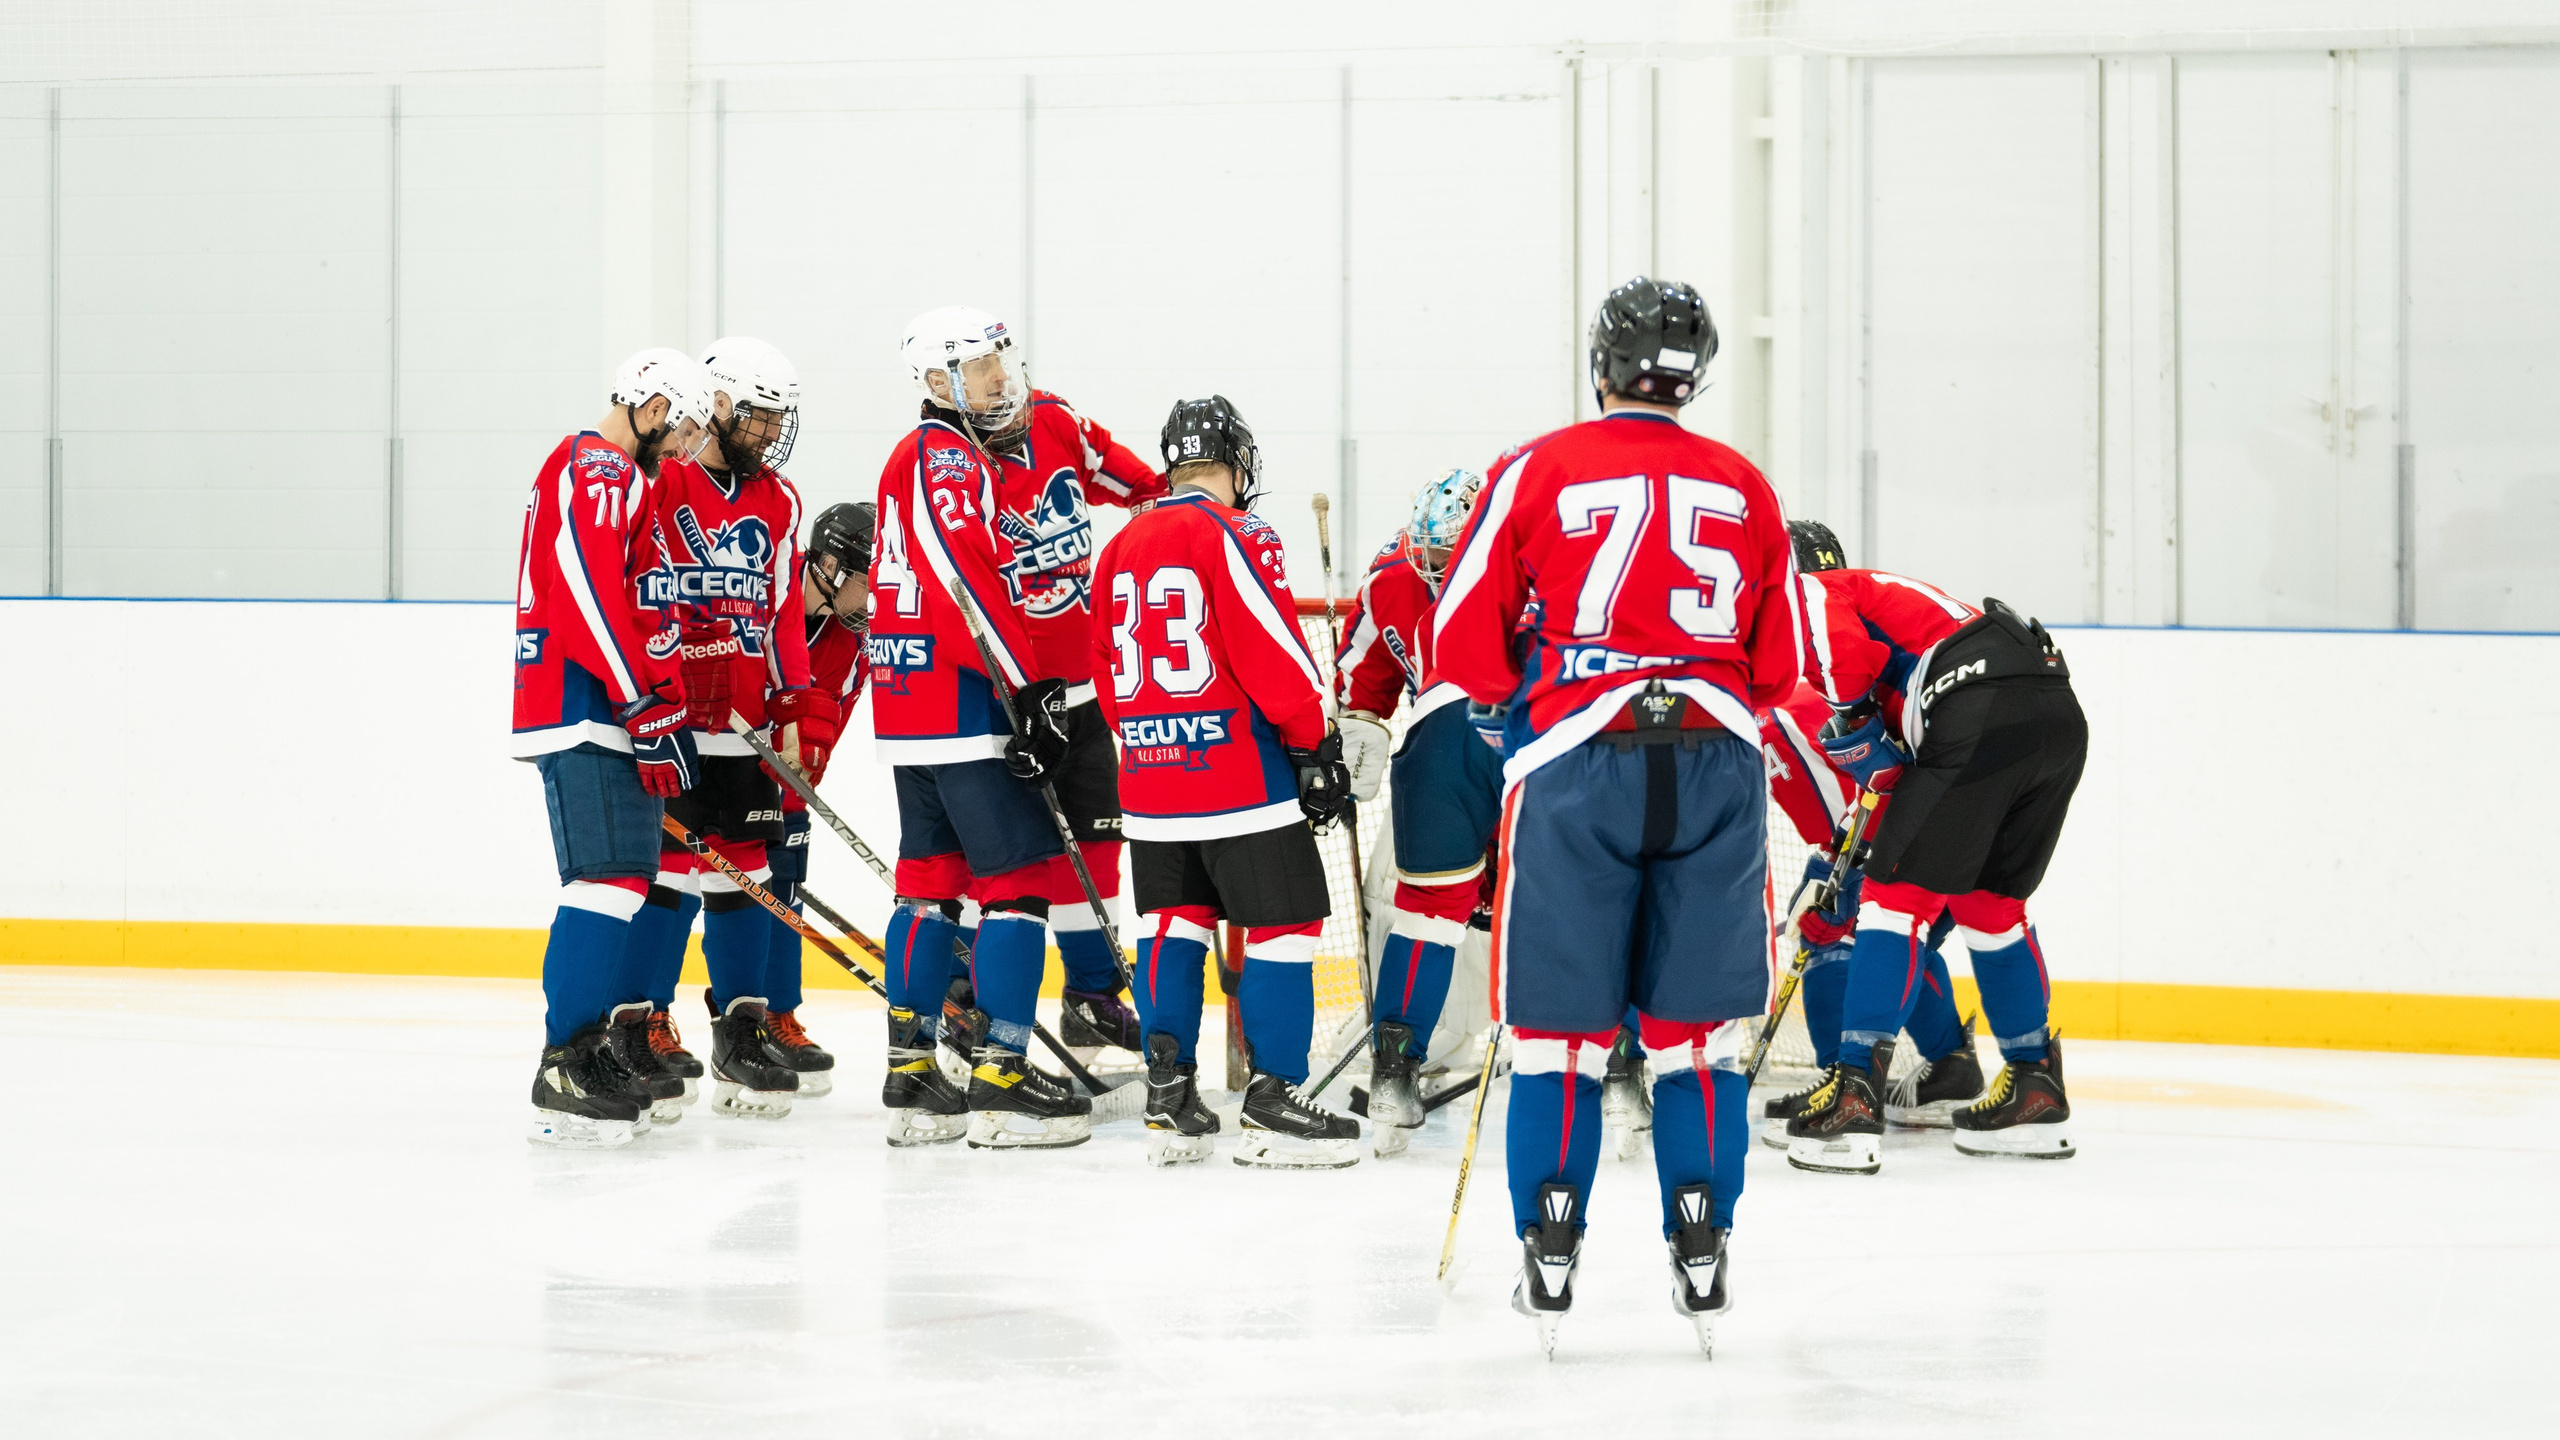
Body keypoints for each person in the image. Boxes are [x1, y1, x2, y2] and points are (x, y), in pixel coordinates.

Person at [1434, 277, 1800, 1355]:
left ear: (1600, 361)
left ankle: (1549, 1245)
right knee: (1694, 1041)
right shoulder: (1744, 483)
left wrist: (1538, 683)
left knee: (1555, 1041)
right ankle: (1701, 1242)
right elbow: (1781, 668)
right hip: (1719, 762)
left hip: (1573, 760)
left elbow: (1463, 640)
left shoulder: (1537, 466)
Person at [1087, 395, 1359, 1169]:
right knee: (1286, 925)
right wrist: (1314, 742)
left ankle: (1169, 1095)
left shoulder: (1122, 543)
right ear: (1238, 465)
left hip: (1149, 779)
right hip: (1240, 776)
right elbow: (1266, 643)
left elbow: (1105, 672)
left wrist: (1147, 744)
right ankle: (1273, 1101)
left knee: (1172, 924)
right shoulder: (1239, 531)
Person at [1779, 518, 2084, 1174]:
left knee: (1889, 909)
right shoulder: (1897, 606)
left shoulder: (1809, 589)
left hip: (1977, 701)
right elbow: (1922, 771)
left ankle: (1855, 1095)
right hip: (2053, 709)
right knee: (1990, 909)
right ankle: (2034, 1086)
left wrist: (1854, 720)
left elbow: (1838, 645)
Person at [870, 306, 1089, 1149]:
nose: (1001, 376)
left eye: (1002, 359)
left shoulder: (920, 456)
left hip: (911, 702)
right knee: (1018, 885)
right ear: (936, 382)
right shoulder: (949, 456)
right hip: (964, 704)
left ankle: (913, 1068)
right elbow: (968, 578)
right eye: (980, 365)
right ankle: (1000, 1075)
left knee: (928, 881)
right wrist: (1029, 687)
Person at [621, 337, 836, 1122]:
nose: (772, 431)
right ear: (716, 406)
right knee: (669, 873)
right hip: (677, 719)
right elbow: (636, 588)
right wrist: (662, 678)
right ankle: (644, 1023)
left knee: (744, 872)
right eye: (760, 415)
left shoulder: (780, 501)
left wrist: (794, 703)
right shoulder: (662, 478)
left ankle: (741, 1026)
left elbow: (781, 612)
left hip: (743, 725)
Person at [512, 347, 718, 1147]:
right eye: (687, 425)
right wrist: (640, 698)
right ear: (655, 403)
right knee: (602, 882)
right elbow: (586, 593)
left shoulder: (629, 479)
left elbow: (634, 600)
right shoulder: (594, 468)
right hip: (587, 705)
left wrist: (662, 696)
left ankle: (591, 1044)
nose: (688, 444)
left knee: (628, 882)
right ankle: (565, 1058)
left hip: (618, 706)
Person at [971, 353, 1167, 1059]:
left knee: (1099, 845)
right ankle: (967, 1004)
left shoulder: (1059, 423)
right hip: (1009, 703)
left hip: (1082, 695)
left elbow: (1151, 490)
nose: (1006, 396)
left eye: (1009, 381)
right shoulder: (955, 464)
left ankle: (1090, 997)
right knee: (999, 865)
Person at [1332, 467, 1501, 1157]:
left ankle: (1393, 1074)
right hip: (1494, 739)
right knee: (1568, 901)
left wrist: (1357, 714)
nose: (1434, 573)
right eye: (1426, 557)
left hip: (1453, 748)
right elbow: (1360, 680)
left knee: (1428, 915)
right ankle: (1607, 1064)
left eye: (1447, 560)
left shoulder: (1509, 558)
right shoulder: (1392, 576)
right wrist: (1355, 726)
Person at [1754, 671, 1980, 1148]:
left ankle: (1845, 1084)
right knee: (1896, 940)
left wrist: (1827, 875)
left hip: (1896, 836)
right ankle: (1952, 1067)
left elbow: (1854, 817)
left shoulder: (1776, 717)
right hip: (1962, 829)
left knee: (1831, 926)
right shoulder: (1798, 701)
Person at [748, 500, 878, 1100]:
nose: (871, 596)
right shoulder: (768, 606)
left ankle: (778, 1014)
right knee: (702, 898)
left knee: (785, 892)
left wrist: (800, 781)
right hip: (728, 774)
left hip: (790, 786)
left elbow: (834, 719)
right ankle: (650, 1017)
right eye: (864, 580)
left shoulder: (855, 641)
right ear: (828, 566)